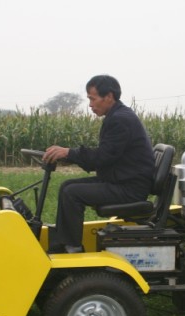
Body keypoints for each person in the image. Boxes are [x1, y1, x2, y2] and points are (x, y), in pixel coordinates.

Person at [42, 74, 155, 253]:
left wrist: (69, 153)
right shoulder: (117, 115)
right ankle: (63, 243)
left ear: (108, 96)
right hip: (121, 180)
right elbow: (105, 156)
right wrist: (69, 156)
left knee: (72, 193)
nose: (90, 105)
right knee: (67, 186)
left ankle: (72, 248)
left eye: (92, 99)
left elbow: (102, 157)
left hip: (129, 188)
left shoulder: (120, 119)